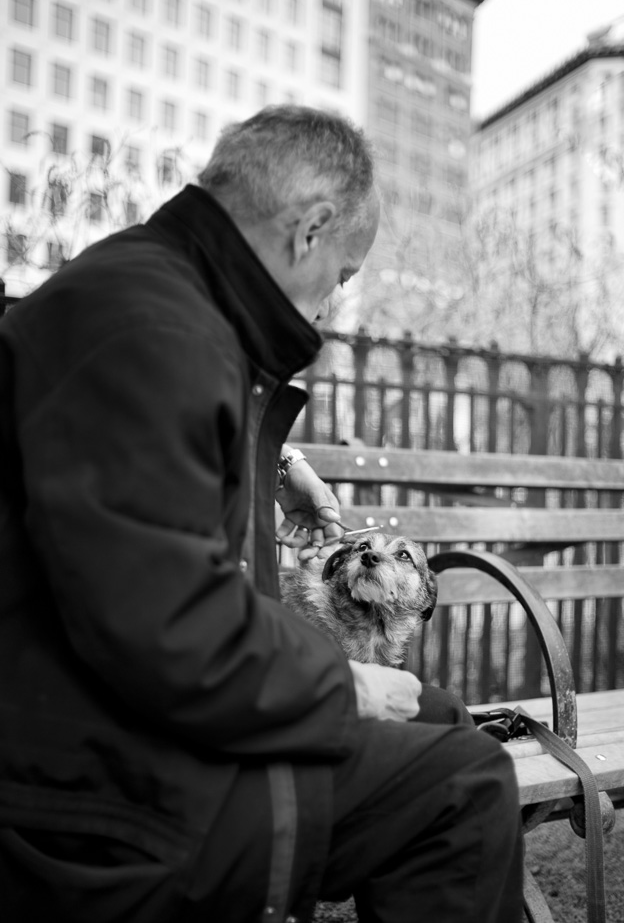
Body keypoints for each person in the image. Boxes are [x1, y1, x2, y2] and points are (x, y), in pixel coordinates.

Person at [0, 105, 522, 923]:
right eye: (343, 277)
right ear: (310, 230)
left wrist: (278, 465)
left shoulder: (150, 293)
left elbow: (146, 485)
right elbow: (165, 628)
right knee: (461, 786)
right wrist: (340, 681)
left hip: (106, 729)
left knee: (442, 714)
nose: (330, 307)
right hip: (98, 787)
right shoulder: (152, 329)